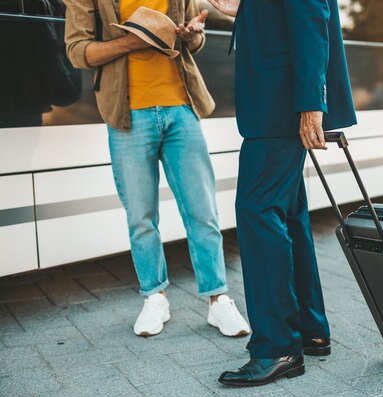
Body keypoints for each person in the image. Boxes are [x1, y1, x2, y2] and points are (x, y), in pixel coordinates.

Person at [64, 0, 250, 338]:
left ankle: (218, 299)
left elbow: (194, 39)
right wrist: (135, 42)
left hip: (181, 109)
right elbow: (77, 51)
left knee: (202, 211)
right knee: (141, 216)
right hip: (128, 115)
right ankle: (154, 297)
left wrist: (194, 34)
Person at [207, 0, 357, 386]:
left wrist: (312, 103)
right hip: (277, 97)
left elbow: (310, 14)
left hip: (281, 101)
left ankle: (277, 348)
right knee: (289, 212)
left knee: (258, 210)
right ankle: (310, 330)